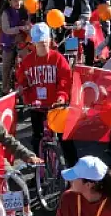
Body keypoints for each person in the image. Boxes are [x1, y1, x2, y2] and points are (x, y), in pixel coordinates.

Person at [15, 23, 76, 168]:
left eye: (45, 42)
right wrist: (22, 91)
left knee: (65, 138)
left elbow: (65, 79)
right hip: (37, 105)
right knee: (37, 138)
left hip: (56, 105)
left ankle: (75, 171)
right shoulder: (27, 61)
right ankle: (39, 171)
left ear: (49, 40)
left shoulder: (58, 58)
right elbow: (22, 80)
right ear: (34, 43)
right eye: (39, 43)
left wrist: (61, 96)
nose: (43, 46)